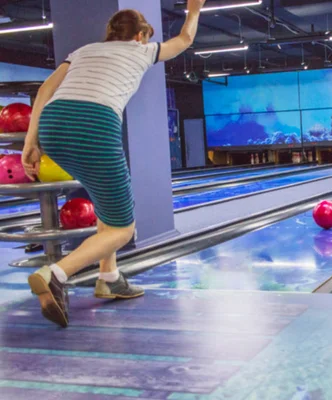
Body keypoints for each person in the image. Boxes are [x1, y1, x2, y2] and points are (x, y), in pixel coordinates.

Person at [21, 0, 206, 328]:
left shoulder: (82, 51)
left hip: (53, 124)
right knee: (123, 228)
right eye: (145, 35)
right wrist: (193, 10)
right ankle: (55, 275)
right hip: (94, 124)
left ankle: (109, 277)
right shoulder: (142, 50)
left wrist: (30, 142)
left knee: (108, 208)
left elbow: (45, 90)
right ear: (139, 35)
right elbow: (185, 40)